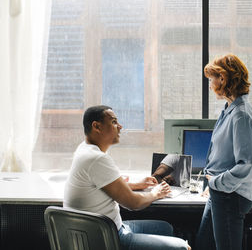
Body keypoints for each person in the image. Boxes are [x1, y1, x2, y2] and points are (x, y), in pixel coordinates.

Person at [64, 105, 190, 250]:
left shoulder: (85, 149)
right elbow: (133, 203)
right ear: (97, 126)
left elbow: (103, 186)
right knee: (181, 247)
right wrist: (155, 194)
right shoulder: (96, 159)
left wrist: (136, 185)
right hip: (108, 238)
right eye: (113, 122)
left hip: (107, 228)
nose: (120, 126)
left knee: (166, 227)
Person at [195, 54, 252, 250]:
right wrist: (213, 184)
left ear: (223, 79)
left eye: (211, 79)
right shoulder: (229, 109)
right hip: (220, 192)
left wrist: (216, 182)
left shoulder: (241, 115)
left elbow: (248, 164)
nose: (209, 84)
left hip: (230, 196)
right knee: (203, 244)